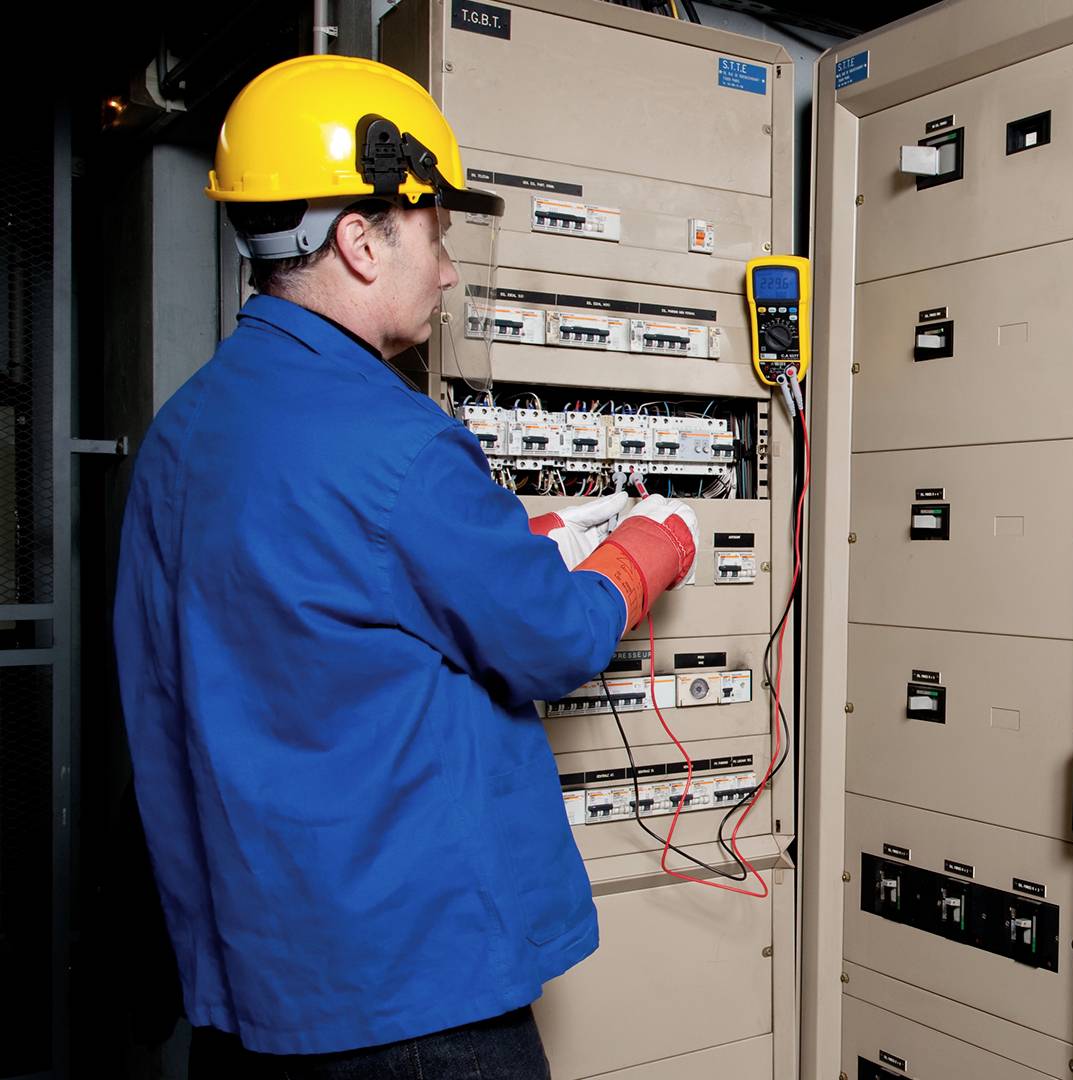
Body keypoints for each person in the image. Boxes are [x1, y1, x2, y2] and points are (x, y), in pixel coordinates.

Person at [112, 55, 695, 1077]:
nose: (452, 270)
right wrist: (641, 557)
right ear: (360, 240)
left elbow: (295, 623)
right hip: (417, 1006)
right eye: (439, 235)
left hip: (249, 998)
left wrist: (506, 545)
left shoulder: (181, 435)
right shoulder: (399, 442)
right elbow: (549, 638)